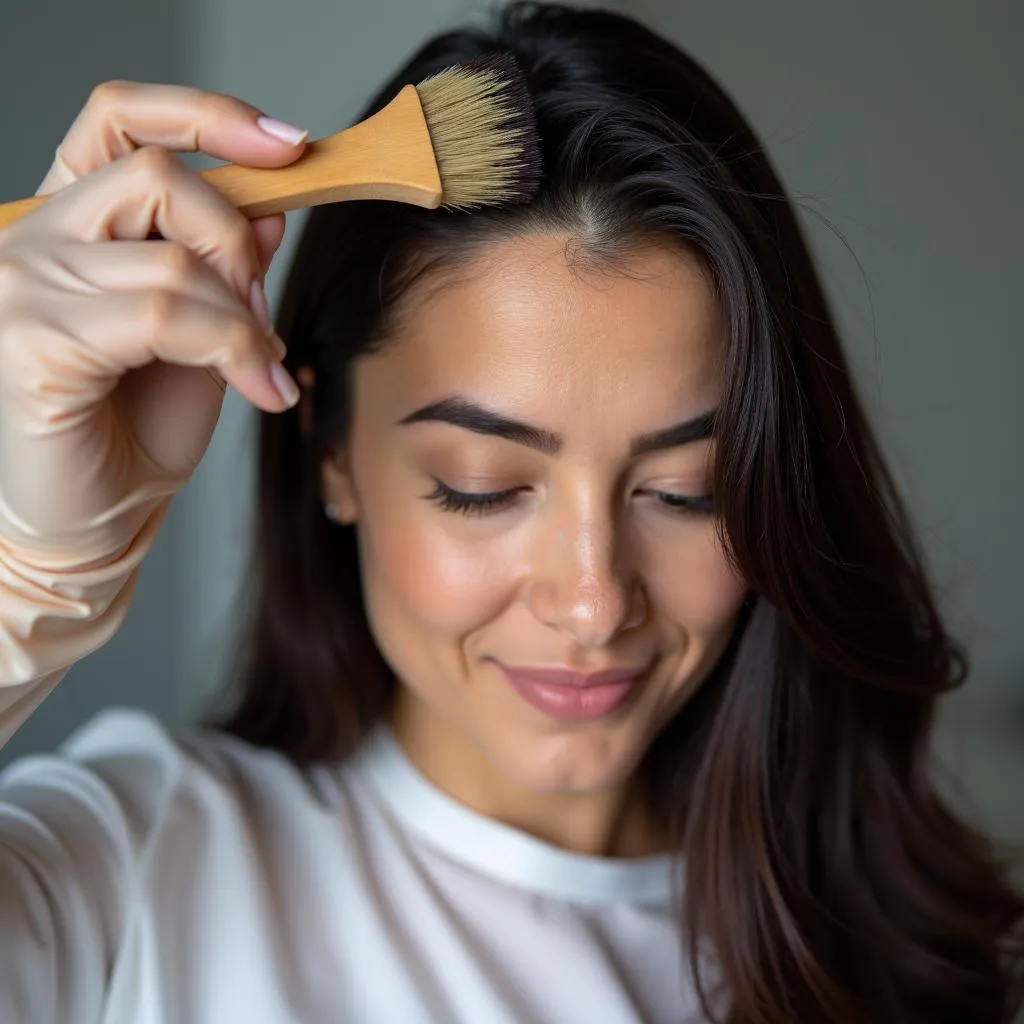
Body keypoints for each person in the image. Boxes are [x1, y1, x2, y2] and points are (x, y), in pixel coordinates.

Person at [0, 2, 1020, 1021]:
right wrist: (24, 576)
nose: (592, 603)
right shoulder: (128, 874)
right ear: (332, 455)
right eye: (481, 487)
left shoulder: (926, 954)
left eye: (686, 491)